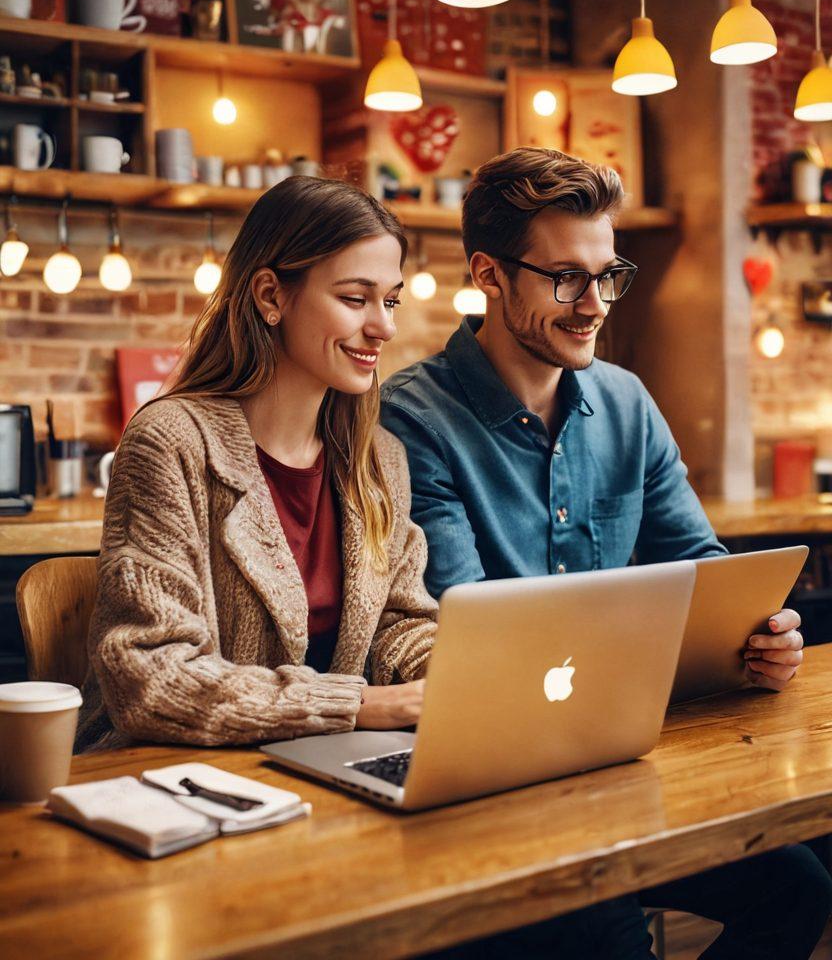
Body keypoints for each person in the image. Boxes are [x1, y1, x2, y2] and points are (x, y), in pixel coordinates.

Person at [381, 148, 831, 960]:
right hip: (493, 791)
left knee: (801, 888)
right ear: (488, 273)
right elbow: (462, 636)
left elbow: (702, 565)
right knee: (611, 937)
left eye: (606, 274)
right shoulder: (410, 422)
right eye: (565, 279)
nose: (594, 305)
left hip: (628, 758)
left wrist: (761, 635)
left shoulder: (626, 402)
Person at [77, 177, 436, 752]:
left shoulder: (379, 461)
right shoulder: (170, 442)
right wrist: (357, 704)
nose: (385, 327)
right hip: (168, 780)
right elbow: (153, 676)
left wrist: (449, 674)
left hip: (317, 767)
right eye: (355, 298)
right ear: (271, 296)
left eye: (390, 300)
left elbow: (399, 625)